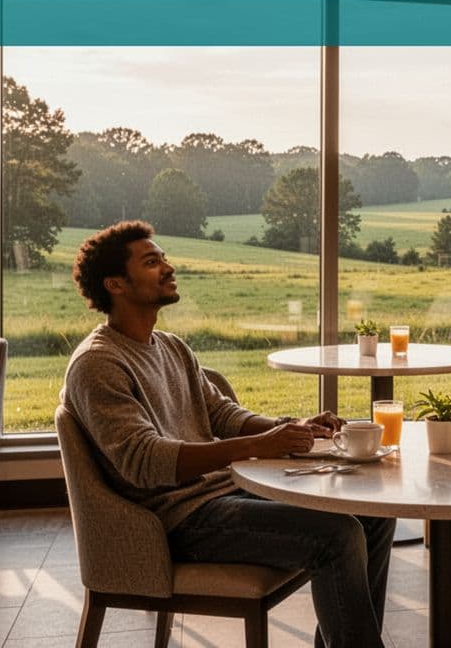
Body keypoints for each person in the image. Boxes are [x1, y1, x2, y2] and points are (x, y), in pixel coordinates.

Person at [61, 220, 394, 647]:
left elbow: (222, 414)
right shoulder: (97, 364)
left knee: (373, 511)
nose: (167, 266)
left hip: (223, 494)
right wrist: (260, 446)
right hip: (177, 519)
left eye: (163, 257)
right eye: (151, 261)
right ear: (115, 284)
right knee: (337, 535)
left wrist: (290, 428)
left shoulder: (170, 346)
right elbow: (145, 462)